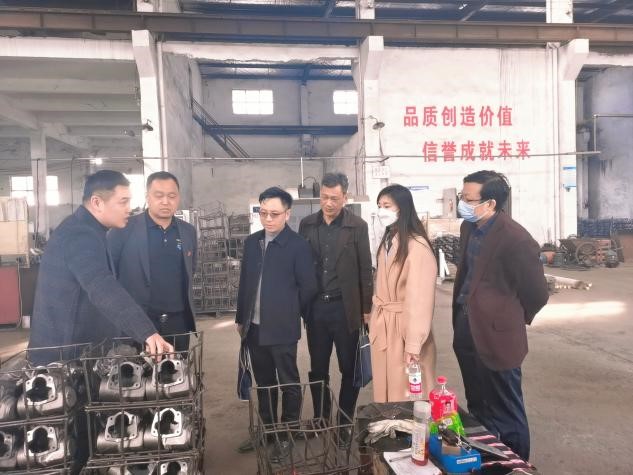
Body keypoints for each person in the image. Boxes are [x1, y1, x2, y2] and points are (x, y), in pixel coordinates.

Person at [452, 170, 549, 461]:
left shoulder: (515, 238)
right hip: (467, 327)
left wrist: (509, 320)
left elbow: (537, 293)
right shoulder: (469, 228)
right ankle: (488, 458)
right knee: (478, 402)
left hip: (498, 336)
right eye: (461, 197)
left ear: (491, 203)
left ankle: (517, 464)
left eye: (468, 199)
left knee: (506, 409)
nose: (462, 203)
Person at [29, 170, 173, 363]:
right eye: (123, 202)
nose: (129, 209)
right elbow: (101, 286)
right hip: (64, 358)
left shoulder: (89, 229)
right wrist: (146, 332)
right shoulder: (80, 235)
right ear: (97, 203)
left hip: (74, 349)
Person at [235, 187, 317, 458]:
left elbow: (308, 287)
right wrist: (241, 318)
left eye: (274, 214)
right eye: (263, 213)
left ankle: (287, 433)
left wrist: (290, 311)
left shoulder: (297, 246)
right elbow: (245, 282)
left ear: (287, 214)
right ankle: (269, 431)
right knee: (265, 382)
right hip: (254, 327)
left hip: (282, 328)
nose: (268, 219)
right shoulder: (252, 242)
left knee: (288, 382)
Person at [299, 172, 373, 439]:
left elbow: (365, 269)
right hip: (316, 308)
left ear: (345, 197)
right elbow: (301, 265)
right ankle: (320, 419)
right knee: (318, 368)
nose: (328, 203)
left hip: (345, 309)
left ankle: (344, 423)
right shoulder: (307, 225)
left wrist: (366, 309)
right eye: (324, 197)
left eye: (334, 198)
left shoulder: (357, 226)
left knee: (348, 368)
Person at [108, 171, 197, 351]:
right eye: (159, 195)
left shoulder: (188, 232)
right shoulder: (123, 229)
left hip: (177, 322)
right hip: (138, 321)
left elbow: (190, 269)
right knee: (136, 367)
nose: (165, 201)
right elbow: (109, 275)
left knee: (177, 367)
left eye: (171, 196)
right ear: (147, 197)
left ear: (178, 198)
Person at [368, 184, 437, 402]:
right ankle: (388, 421)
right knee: (386, 387)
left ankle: (406, 424)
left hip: (404, 328)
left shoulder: (417, 246)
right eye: (379, 205)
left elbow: (419, 301)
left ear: (403, 208)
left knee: (407, 391)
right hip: (385, 323)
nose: (381, 211)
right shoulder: (389, 241)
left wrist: (413, 344)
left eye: (387, 205)